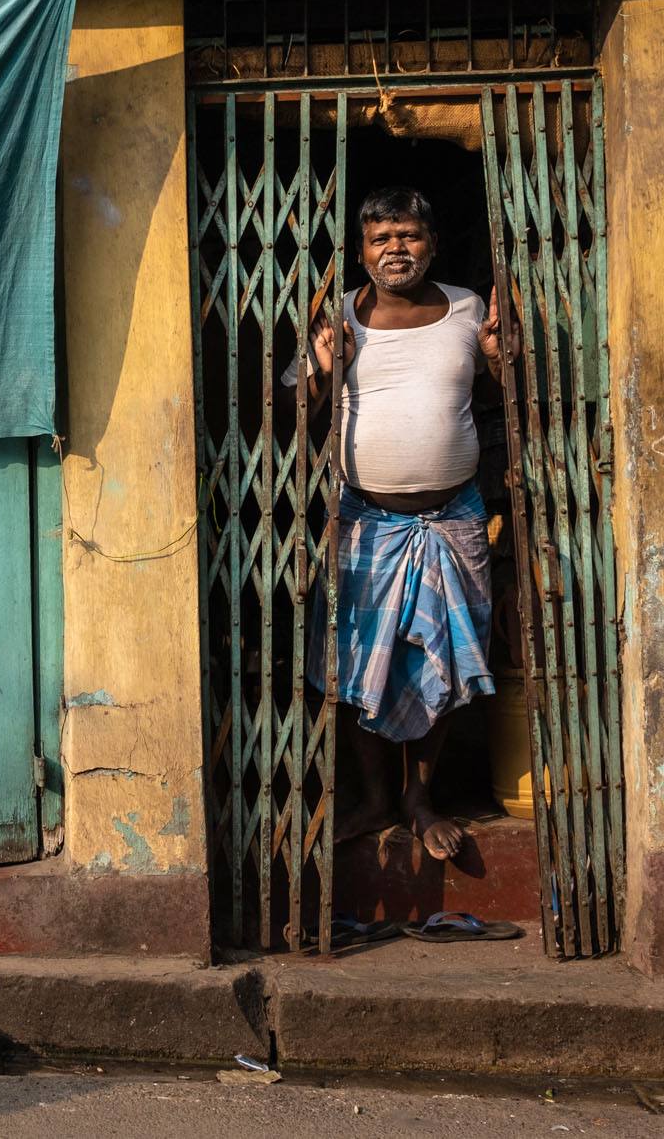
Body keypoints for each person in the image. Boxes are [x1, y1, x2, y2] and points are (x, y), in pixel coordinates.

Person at [282, 186, 504, 861]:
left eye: (408, 236)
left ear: (431, 246)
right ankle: (377, 795)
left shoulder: (469, 309)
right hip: (365, 519)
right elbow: (284, 415)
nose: (396, 249)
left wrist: (499, 356)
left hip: (454, 518)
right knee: (357, 662)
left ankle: (419, 797)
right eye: (381, 239)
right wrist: (320, 370)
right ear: (361, 253)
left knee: (441, 660)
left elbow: (515, 400)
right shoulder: (337, 317)